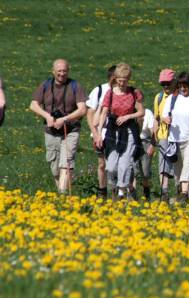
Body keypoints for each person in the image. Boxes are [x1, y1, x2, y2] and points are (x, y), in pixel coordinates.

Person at [30, 59, 87, 194]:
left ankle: (62, 195)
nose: (62, 74)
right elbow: (33, 105)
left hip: (71, 130)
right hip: (51, 131)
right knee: (55, 167)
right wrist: (47, 116)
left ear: (68, 70)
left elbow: (83, 109)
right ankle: (63, 195)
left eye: (65, 71)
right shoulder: (45, 85)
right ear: (53, 71)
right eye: (59, 71)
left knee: (66, 163)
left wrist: (65, 119)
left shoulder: (75, 86)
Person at [95, 63, 144, 200]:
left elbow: (141, 112)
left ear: (129, 79)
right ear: (115, 78)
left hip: (129, 130)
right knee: (111, 166)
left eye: (125, 81)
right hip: (112, 131)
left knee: (125, 162)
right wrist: (99, 132)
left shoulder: (134, 93)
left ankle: (122, 193)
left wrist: (128, 116)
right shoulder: (110, 93)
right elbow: (104, 112)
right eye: (119, 80)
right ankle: (117, 187)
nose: (122, 83)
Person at [162, 72, 189, 203]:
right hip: (175, 140)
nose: (182, 88)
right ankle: (185, 194)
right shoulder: (172, 99)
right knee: (178, 171)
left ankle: (184, 193)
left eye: (185, 86)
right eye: (180, 85)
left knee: (188, 164)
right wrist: (166, 119)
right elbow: (164, 116)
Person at [86, 65, 116, 199]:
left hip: (117, 132)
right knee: (102, 163)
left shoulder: (124, 91)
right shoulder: (99, 90)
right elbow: (89, 114)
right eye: (114, 80)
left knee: (115, 164)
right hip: (100, 132)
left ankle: (116, 191)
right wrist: (95, 133)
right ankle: (102, 191)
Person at [153, 69, 178, 202]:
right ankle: (165, 191)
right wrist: (154, 134)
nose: (166, 86)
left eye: (168, 83)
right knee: (163, 162)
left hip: (179, 135)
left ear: (174, 82)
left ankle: (180, 188)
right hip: (163, 134)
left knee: (177, 162)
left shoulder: (180, 96)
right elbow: (156, 118)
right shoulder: (159, 97)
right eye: (163, 84)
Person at [132, 107, 155, 200]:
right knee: (133, 170)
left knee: (145, 172)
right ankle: (132, 195)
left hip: (145, 142)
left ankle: (146, 192)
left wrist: (152, 145)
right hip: (133, 142)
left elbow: (152, 129)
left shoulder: (147, 112)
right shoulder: (129, 112)